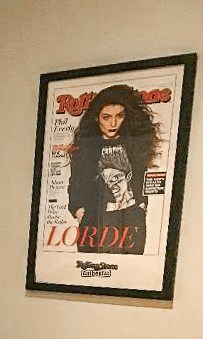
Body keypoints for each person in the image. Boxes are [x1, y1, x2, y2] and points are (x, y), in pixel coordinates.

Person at [67, 84, 160, 255]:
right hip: (97, 220)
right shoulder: (86, 148)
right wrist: (79, 212)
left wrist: (141, 206)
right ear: (96, 118)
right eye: (106, 117)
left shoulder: (134, 145)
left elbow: (142, 178)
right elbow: (76, 184)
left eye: (119, 116)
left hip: (131, 218)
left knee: (130, 273)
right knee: (93, 272)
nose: (113, 123)